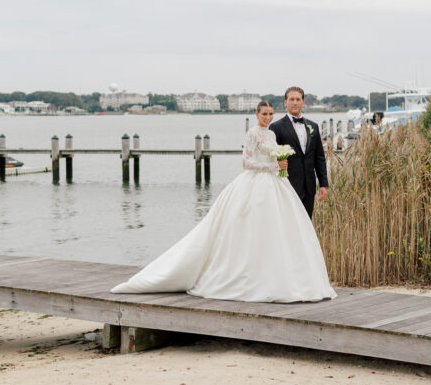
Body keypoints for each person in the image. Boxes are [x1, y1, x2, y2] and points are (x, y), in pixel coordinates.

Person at [111, 100, 336, 303]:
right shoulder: (252, 133)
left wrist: (279, 163)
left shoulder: (271, 135)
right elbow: (246, 162)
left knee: (276, 229)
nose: (267, 117)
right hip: (255, 182)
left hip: (275, 184)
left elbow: (283, 155)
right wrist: (273, 166)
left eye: (270, 114)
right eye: (264, 114)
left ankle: (273, 274)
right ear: (257, 114)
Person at [269, 86, 328, 219]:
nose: (295, 102)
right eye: (291, 99)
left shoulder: (313, 126)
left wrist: (323, 184)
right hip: (286, 185)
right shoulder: (276, 127)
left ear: (303, 102)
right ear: (285, 102)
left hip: (309, 187)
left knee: (307, 224)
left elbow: (319, 157)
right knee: (288, 223)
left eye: (298, 99)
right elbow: (270, 155)